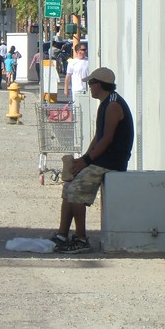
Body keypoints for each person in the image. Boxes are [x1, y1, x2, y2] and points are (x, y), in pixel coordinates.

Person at [51, 67, 134, 254]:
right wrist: (84, 159)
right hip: (102, 158)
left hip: (112, 161)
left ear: (100, 85)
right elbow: (98, 137)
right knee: (68, 186)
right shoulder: (106, 102)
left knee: (76, 190)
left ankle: (81, 239)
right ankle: (62, 235)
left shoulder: (113, 105)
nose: (89, 86)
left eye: (91, 83)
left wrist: (87, 160)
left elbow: (107, 139)